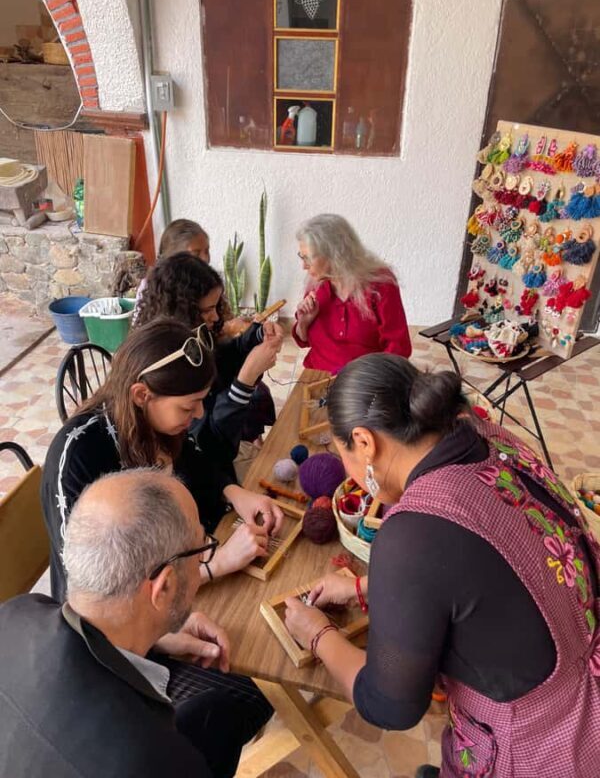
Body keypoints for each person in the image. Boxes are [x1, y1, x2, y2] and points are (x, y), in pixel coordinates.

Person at [284, 354, 600, 778]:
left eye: (343, 453)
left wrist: (317, 633)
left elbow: (390, 704)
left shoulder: (413, 533)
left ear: (363, 442)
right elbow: (488, 574)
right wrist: (365, 588)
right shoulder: (488, 434)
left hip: (549, 750)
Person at [0, 470, 273, 778]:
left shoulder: (16, 612)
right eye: (204, 547)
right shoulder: (157, 760)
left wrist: (157, 634)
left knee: (215, 711)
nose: (206, 557)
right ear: (164, 586)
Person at [41, 318, 283, 603]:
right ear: (142, 394)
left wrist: (233, 492)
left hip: (175, 575)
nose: (198, 414)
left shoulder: (155, 422)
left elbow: (194, 461)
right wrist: (213, 566)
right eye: (188, 406)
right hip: (119, 621)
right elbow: (93, 596)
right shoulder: (78, 456)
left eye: (201, 401)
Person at [135, 253, 280, 457]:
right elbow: (212, 448)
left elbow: (223, 359)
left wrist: (256, 335)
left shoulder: (196, 342)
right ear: (182, 311)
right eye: (207, 310)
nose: (216, 316)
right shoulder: (169, 368)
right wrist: (245, 381)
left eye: (216, 306)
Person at [292, 214, 412, 373]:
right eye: (302, 257)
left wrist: (368, 382)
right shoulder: (316, 284)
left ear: (334, 255)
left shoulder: (380, 285)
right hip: (318, 374)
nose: (304, 266)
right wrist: (304, 323)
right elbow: (303, 340)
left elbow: (399, 348)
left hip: (364, 380)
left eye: (308, 259)